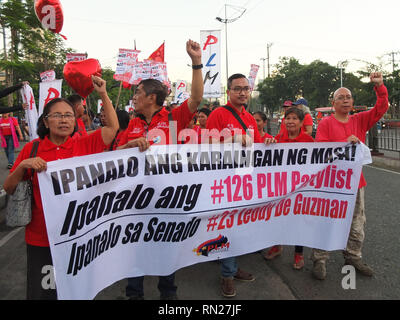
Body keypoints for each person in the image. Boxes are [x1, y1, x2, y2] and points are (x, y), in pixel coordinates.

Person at [3, 76, 118, 300]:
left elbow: (112, 128)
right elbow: (8, 187)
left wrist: (103, 94)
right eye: (57, 115)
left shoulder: (84, 144)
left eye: (68, 115)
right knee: (43, 293)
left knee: (75, 291)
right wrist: (24, 165)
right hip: (41, 239)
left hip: (79, 238)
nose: (63, 120)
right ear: (46, 122)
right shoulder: (32, 149)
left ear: (75, 121)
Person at [118, 39, 204, 300]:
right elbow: (114, 158)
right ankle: (134, 294)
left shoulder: (172, 118)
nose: (134, 98)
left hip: (168, 199)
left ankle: (169, 295)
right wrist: (130, 145)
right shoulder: (131, 124)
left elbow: (197, 98)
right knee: (135, 250)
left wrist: (196, 61)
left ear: (151, 98)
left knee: (166, 249)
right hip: (134, 200)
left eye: (137, 93)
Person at [311, 72, 388, 280]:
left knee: (356, 222)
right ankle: (320, 258)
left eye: (348, 97)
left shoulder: (360, 120)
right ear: (333, 103)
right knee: (326, 221)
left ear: (352, 102)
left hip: (355, 183)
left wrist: (380, 86)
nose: (345, 100)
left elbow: (381, 108)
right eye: (340, 97)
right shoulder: (326, 123)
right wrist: (346, 142)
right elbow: (320, 148)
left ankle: (353, 256)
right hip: (331, 183)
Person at [206, 73, 267, 298]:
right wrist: (232, 139)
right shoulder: (218, 114)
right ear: (228, 92)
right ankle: (227, 275)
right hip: (224, 181)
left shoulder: (250, 119)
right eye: (237, 88)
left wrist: (269, 142)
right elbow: (207, 146)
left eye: (245, 88)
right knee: (228, 226)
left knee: (240, 226)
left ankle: (230, 266)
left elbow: (258, 147)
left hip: (245, 180)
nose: (242, 92)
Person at [263, 107, 314, 269]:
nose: (290, 121)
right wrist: (269, 144)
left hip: (300, 189)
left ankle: (298, 254)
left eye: (294, 119)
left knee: (298, 220)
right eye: (288, 118)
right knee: (278, 218)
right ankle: (277, 246)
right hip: (281, 188)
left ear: (301, 122)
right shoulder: (277, 139)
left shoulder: (308, 141)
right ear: (283, 121)